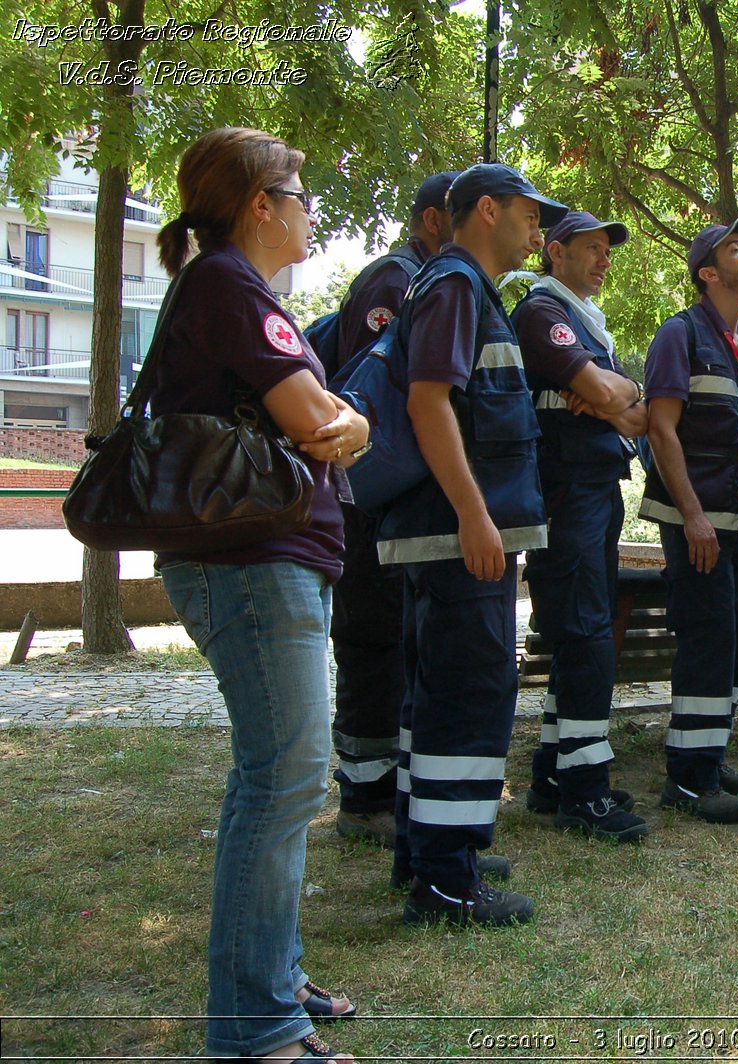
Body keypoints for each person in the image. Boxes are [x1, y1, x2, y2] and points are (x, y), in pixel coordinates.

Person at [152, 126, 368, 1062]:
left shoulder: (239, 288)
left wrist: (342, 424)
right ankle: (254, 1025)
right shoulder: (228, 286)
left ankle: (271, 979)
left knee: (279, 779)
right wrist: (349, 417)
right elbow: (315, 420)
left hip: (268, 559)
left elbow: (327, 427)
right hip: (249, 562)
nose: (311, 210)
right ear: (258, 206)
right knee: (283, 782)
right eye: (300, 192)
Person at [383, 163, 566, 927]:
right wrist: (474, 515)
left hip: (456, 535)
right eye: (529, 215)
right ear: (485, 210)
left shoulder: (460, 288)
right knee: (468, 695)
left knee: (442, 693)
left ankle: (428, 848)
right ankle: (447, 882)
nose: (539, 230)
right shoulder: (457, 287)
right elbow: (429, 404)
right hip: (460, 537)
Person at [323, 170, 458, 850]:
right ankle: (365, 793)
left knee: (397, 641)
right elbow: (365, 392)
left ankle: (393, 785)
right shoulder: (393, 281)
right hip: (366, 498)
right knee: (371, 639)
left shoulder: (436, 280)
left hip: (398, 498)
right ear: (434, 219)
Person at [511, 210, 650, 841]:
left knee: (582, 634)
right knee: (587, 633)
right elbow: (611, 394)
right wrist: (605, 395)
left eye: (607, 251)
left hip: (594, 490)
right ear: (555, 252)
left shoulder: (584, 322)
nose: (603, 260)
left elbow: (637, 411)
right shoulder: (544, 314)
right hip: (566, 495)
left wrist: (608, 397)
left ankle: (552, 773)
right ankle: (585, 792)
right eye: (590, 249)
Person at [642, 216, 738, 824]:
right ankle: (689, 780)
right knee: (708, 638)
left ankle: (710, 751)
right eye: (734, 248)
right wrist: (692, 517)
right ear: (709, 273)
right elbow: (661, 430)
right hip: (698, 522)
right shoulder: (681, 335)